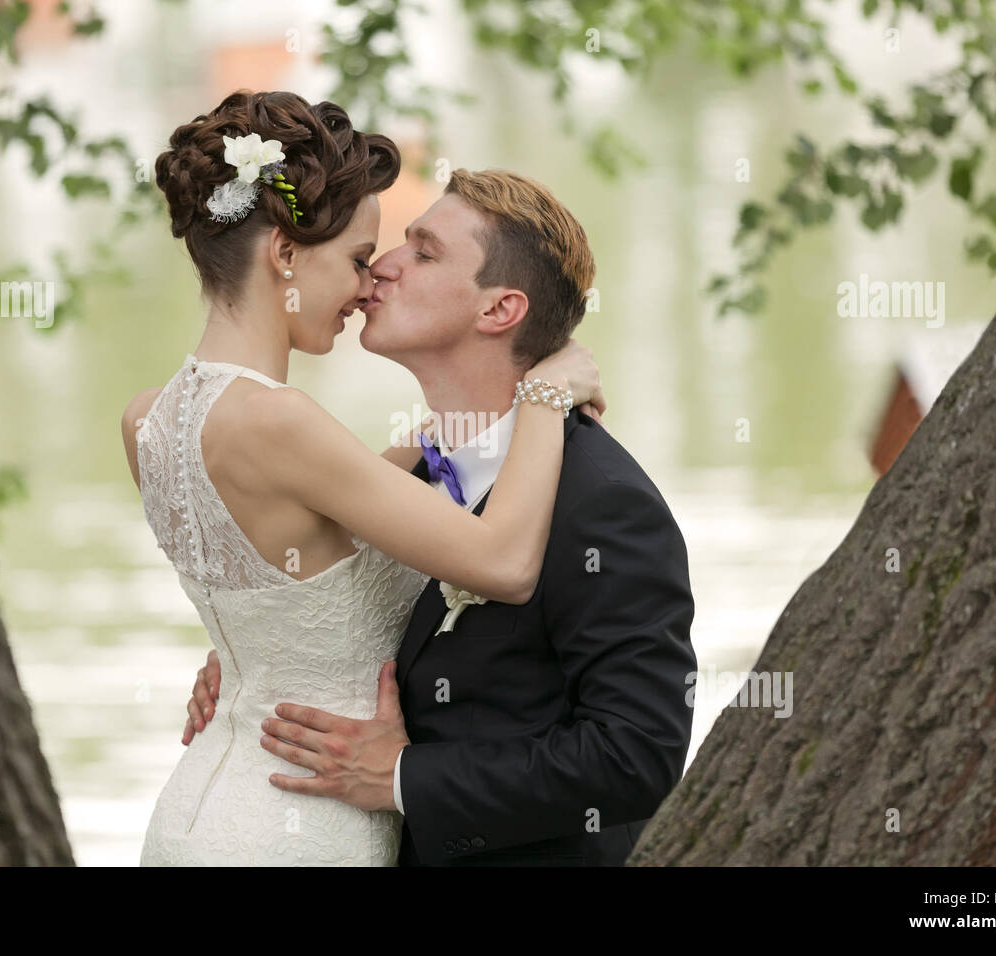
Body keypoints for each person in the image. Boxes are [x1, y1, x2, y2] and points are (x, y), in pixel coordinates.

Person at [120, 90, 603, 866]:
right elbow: (506, 566)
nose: (366, 284)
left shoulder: (150, 420)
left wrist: (236, 661)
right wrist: (545, 396)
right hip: (298, 827)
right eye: (353, 259)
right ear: (283, 255)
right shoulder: (281, 423)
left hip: (200, 810)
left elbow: (308, 552)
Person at [184, 164, 698, 866]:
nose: (380, 269)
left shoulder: (604, 503)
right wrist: (253, 650)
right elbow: (331, 604)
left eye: (423, 253)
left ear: (498, 311)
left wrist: (400, 778)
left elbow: (635, 756)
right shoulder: (402, 477)